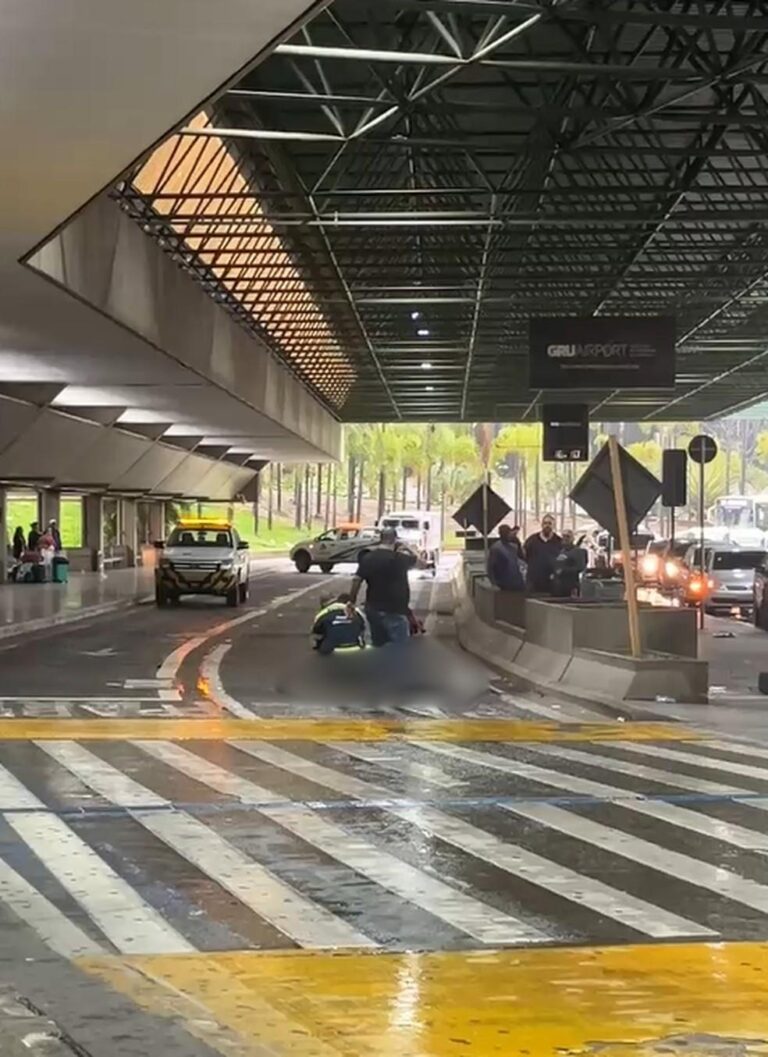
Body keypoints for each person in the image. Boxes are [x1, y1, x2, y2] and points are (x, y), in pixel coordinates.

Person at [348, 526, 416, 646]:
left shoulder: (368, 558)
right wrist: (407, 548)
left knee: (378, 645)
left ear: (381, 539)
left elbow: (356, 580)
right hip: (396, 610)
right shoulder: (401, 558)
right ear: (394, 540)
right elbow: (423, 563)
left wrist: (351, 601)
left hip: (373, 609)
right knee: (399, 649)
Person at [524, 514, 562, 594]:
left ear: (554, 525)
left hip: (552, 582)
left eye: (549, 523)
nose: (547, 525)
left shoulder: (559, 541)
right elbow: (524, 556)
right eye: (545, 523)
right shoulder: (532, 540)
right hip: (534, 581)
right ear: (542, 525)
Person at [551, 528, 588, 598]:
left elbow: (580, 568)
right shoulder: (560, 551)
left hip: (571, 587)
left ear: (572, 538)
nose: (565, 538)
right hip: (558, 588)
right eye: (563, 536)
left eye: (568, 536)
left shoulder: (578, 552)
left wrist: (564, 571)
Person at [488, 524, 525, 591]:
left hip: (516, 583)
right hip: (504, 584)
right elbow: (491, 568)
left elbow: (521, 558)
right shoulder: (496, 548)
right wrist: (493, 583)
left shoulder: (513, 546)